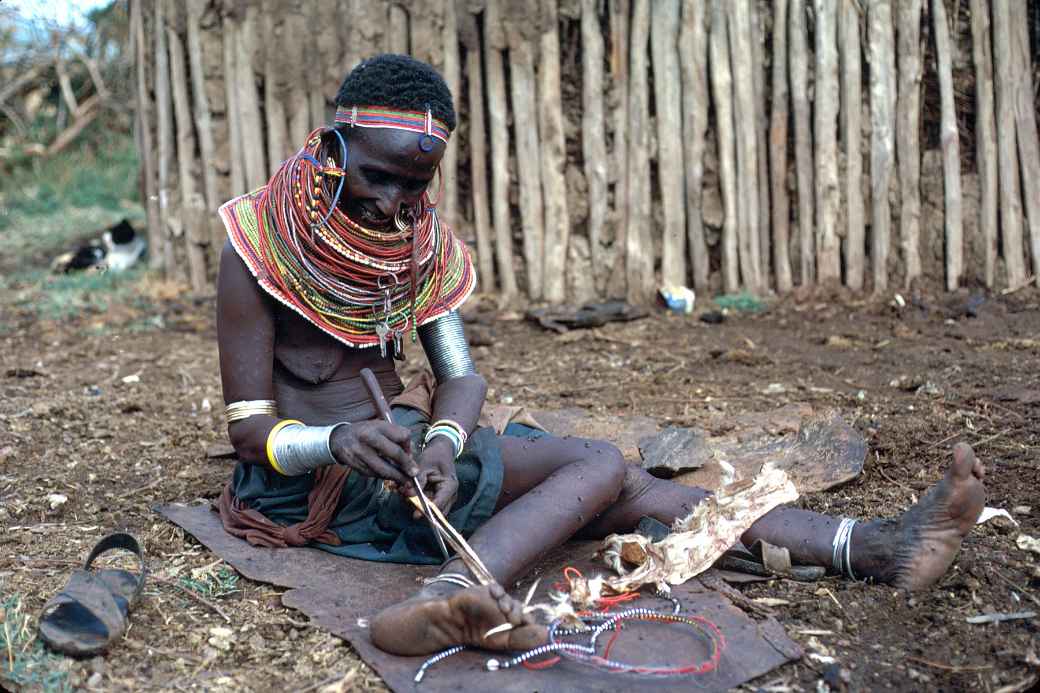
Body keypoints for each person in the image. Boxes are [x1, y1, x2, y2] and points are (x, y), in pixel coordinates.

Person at [215, 54, 986, 658]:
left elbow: (461, 376)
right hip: (315, 481)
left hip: (415, 461)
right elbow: (251, 433)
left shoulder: (420, 246)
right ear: (331, 147)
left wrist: (446, 446)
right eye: (376, 176)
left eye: (413, 186)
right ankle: (453, 586)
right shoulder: (256, 245)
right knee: (597, 465)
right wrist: (340, 439)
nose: (391, 203)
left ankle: (873, 547)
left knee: (632, 491)